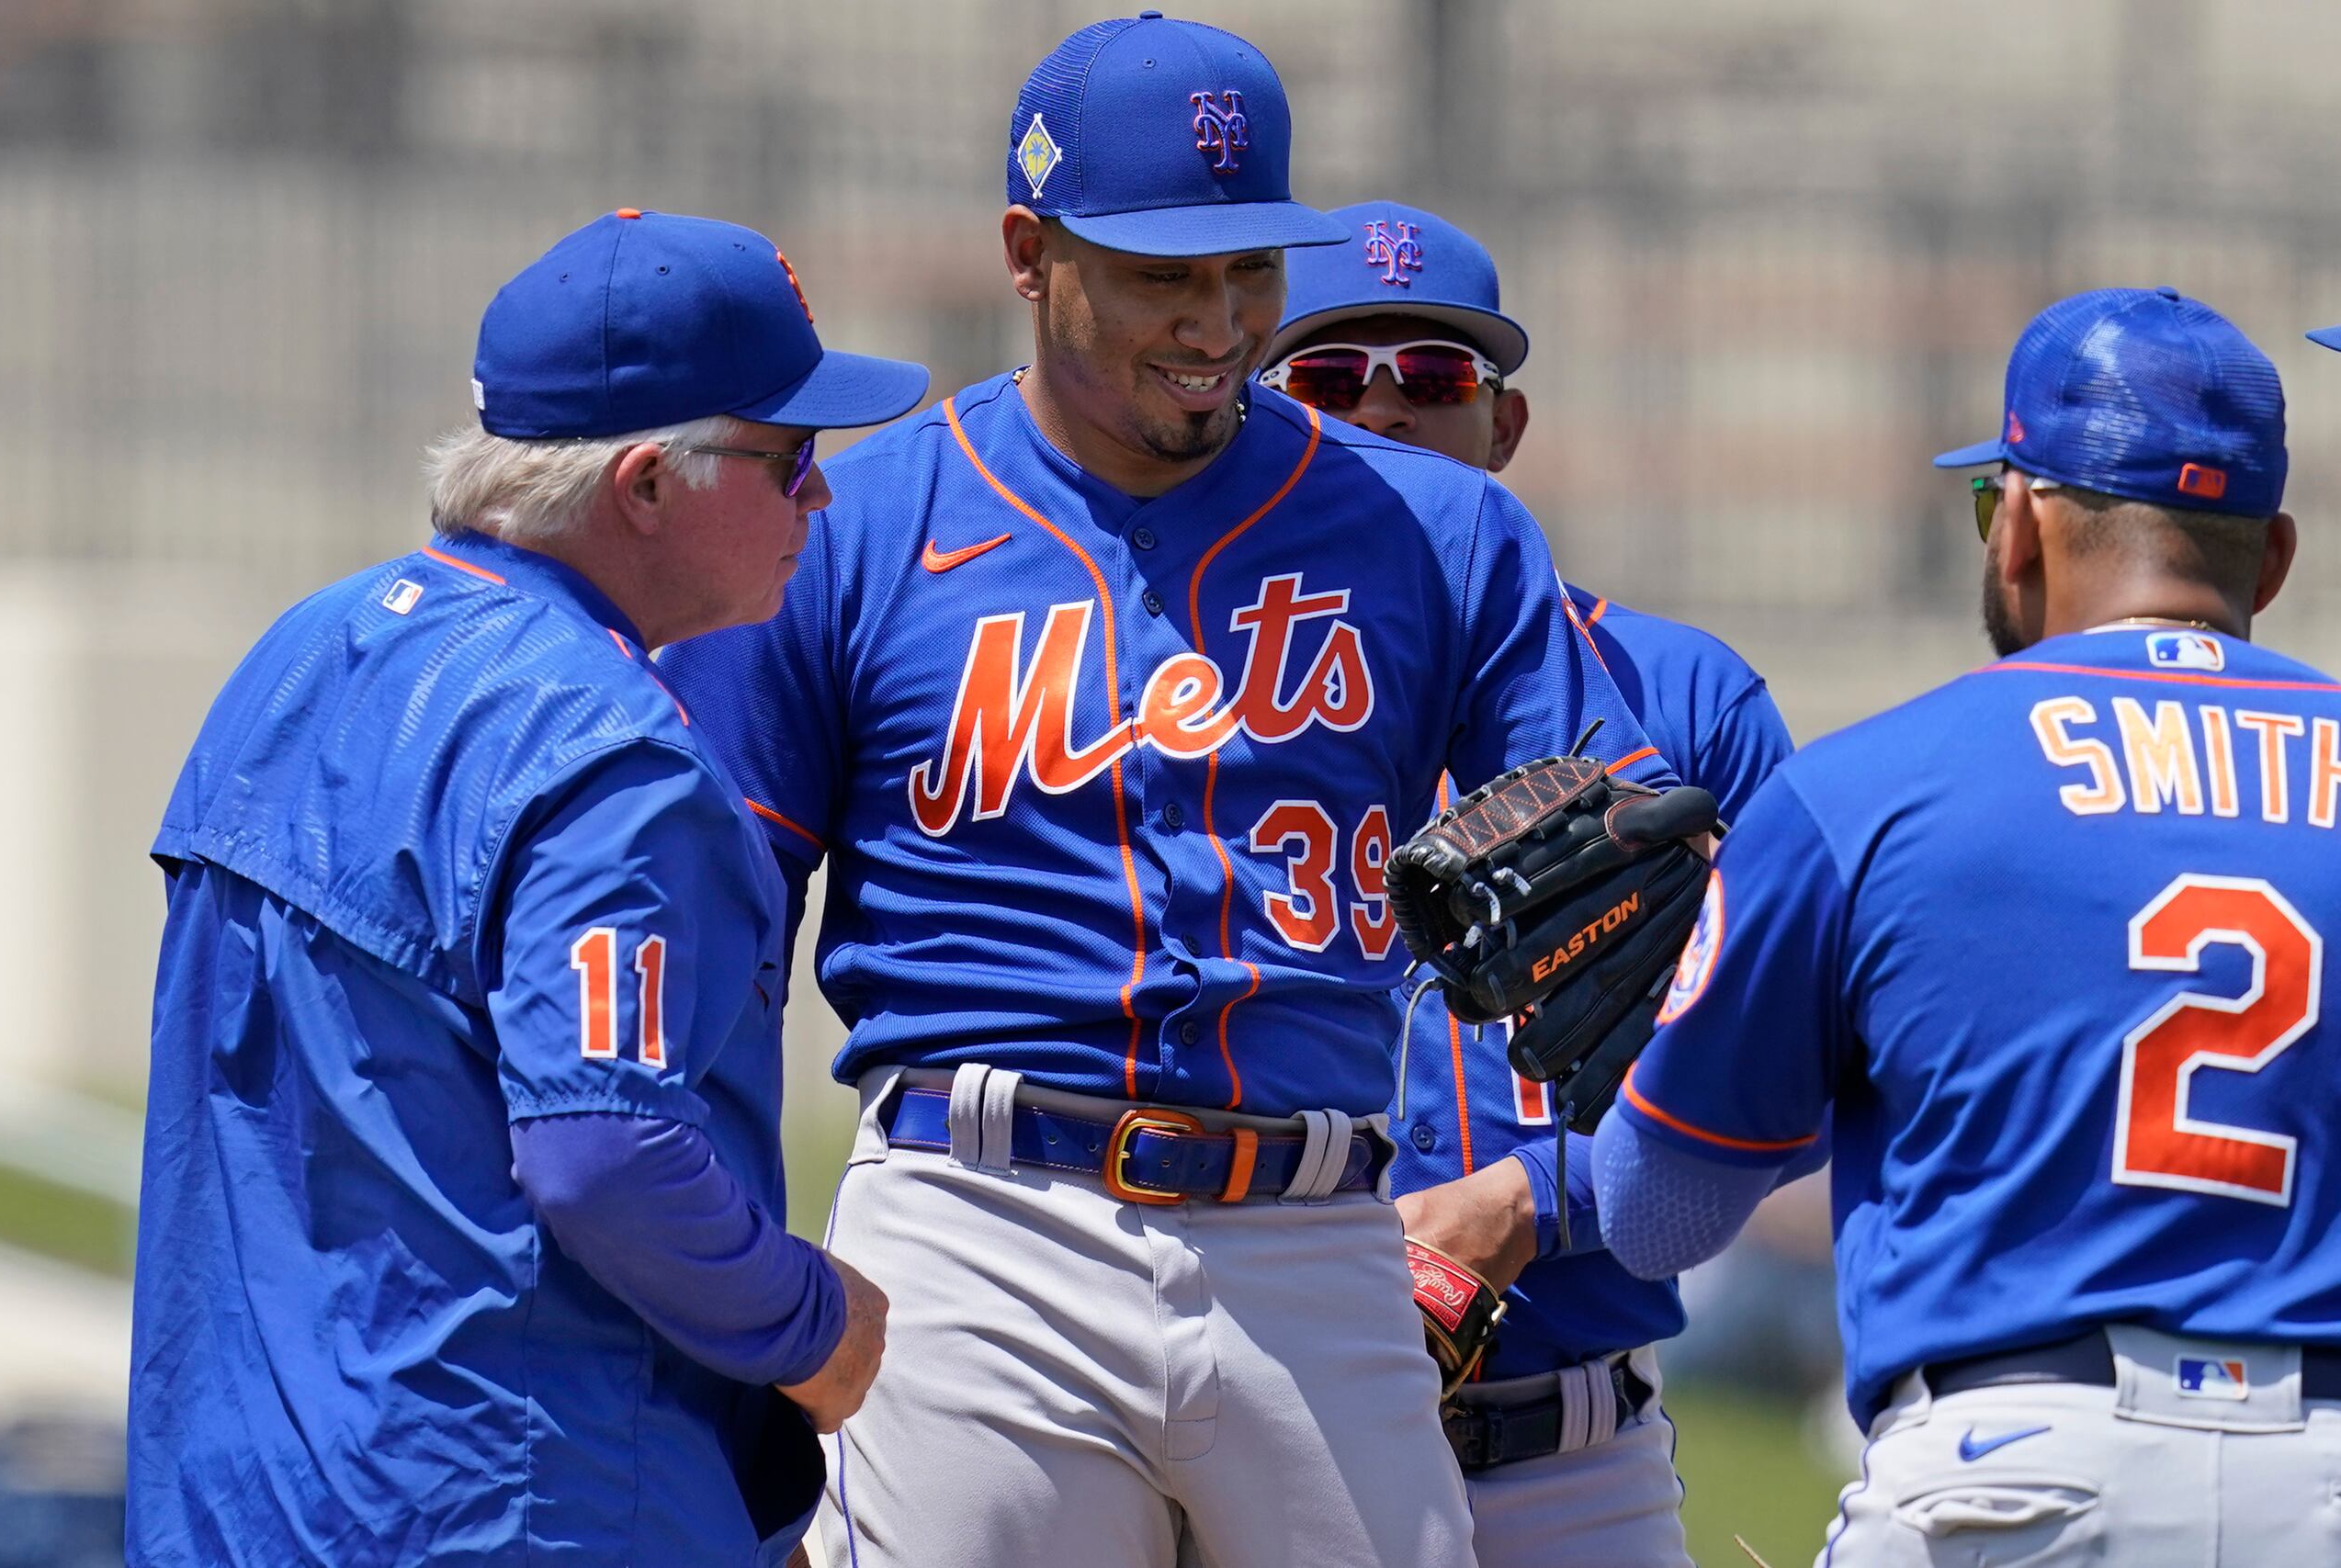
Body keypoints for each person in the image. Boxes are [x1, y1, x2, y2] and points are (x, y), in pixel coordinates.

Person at [659, 17, 1678, 1567]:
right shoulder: (860, 524)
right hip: (980, 1220)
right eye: (1161, 275)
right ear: (1028, 252)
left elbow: (1633, 843)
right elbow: (713, 934)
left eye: (1247, 272)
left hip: (1318, 1230)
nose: (1216, 323)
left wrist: (1622, 904)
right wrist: (741, 1285)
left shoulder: (1432, 530)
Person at [126, 209, 927, 1567]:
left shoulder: (298, 655)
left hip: (238, 1499)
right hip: (512, 1499)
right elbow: (606, 1151)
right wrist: (814, 1327)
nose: (823, 499)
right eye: (789, 460)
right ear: (647, 484)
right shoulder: (611, 751)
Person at [1594, 286, 2341, 1566]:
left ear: (2023, 529)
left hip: (2014, 1478)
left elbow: (1656, 1219)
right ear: (2270, 558)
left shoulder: (1867, 789)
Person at [1260, 198, 1794, 1567]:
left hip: (1569, 1452)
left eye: (1434, 379)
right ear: (1263, 414)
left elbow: (1781, 1054)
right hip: (1255, 1420)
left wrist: (1530, 1202)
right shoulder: (1193, 697)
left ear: (1504, 427)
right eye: (1329, 379)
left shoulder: (1682, 698)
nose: (1384, 414)